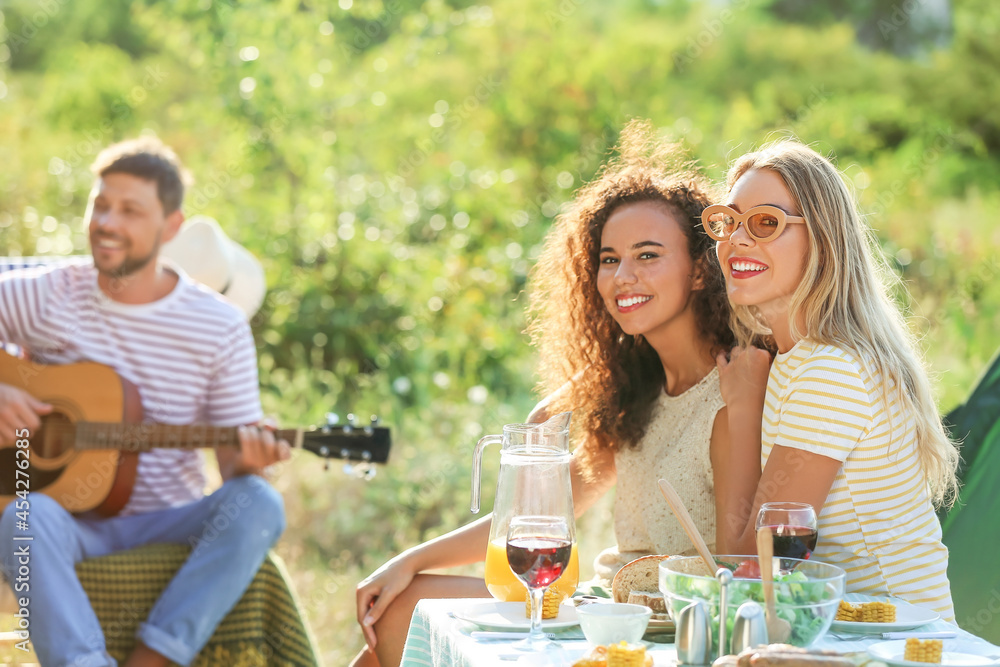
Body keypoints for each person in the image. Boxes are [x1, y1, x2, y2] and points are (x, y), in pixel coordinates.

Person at [351, 120, 739, 666]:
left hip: (663, 630)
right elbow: (536, 512)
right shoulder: (634, 393)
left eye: (648, 255)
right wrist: (406, 562)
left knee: (409, 616)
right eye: (609, 259)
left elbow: (743, 557)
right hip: (607, 606)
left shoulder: (736, 389)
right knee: (401, 606)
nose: (623, 276)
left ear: (701, 270)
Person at [0, 137, 291, 666]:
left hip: (168, 519)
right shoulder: (49, 293)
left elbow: (235, 472)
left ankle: (153, 661)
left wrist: (249, 464)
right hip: (64, 523)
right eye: (100, 205)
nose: (107, 222)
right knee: (24, 514)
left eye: (130, 210)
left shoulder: (218, 327)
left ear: (171, 227)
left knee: (260, 503)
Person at [709, 140, 960, 619]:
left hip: (897, 642)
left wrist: (739, 416)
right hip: (844, 634)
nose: (736, 240)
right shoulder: (795, 359)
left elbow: (752, 569)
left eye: (765, 223)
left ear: (822, 238)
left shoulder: (830, 371)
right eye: (728, 221)